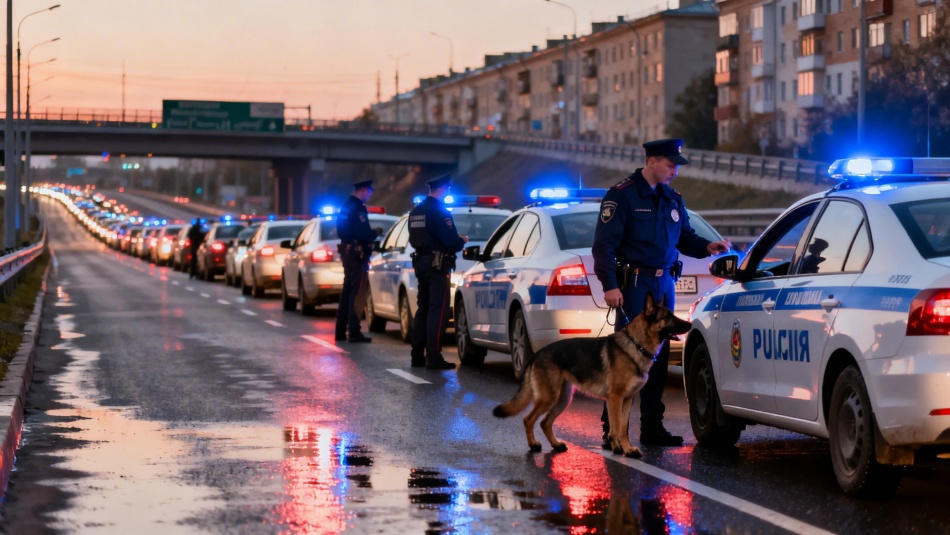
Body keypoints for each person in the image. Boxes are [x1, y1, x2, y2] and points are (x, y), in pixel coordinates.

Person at [592, 138, 731, 447]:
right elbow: (603, 246)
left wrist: (707, 247)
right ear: (652, 161)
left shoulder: (672, 198)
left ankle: (652, 427)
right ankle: (612, 429)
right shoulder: (622, 195)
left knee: (658, 355)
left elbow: (685, 238)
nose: (675, 172)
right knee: (626, 358)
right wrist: (610, 286)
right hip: (636, 284)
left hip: (665, 284)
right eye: (671, 165)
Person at [407, 174, 469, 369]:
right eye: (448, 189)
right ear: (443, 189)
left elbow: (413, 239)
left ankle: (417, 355)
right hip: (437, 265)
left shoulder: (416, 211)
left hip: (421, 262)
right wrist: (462, 240)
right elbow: (451, 242)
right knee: (438, 310)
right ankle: (433, 356)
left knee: (423, 308)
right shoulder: (440, 212)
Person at [335, 180, 378, 343]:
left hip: (347, 252)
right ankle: (354, 331)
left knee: (347, 291)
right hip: (357, 254)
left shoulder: (345, 206)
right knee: (357, 292)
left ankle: (340, 330)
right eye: (369, 192)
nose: (369, 195)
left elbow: (340, 230)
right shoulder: (358, 208)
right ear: (363, 190)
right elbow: (363, 234)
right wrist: (374, 233)